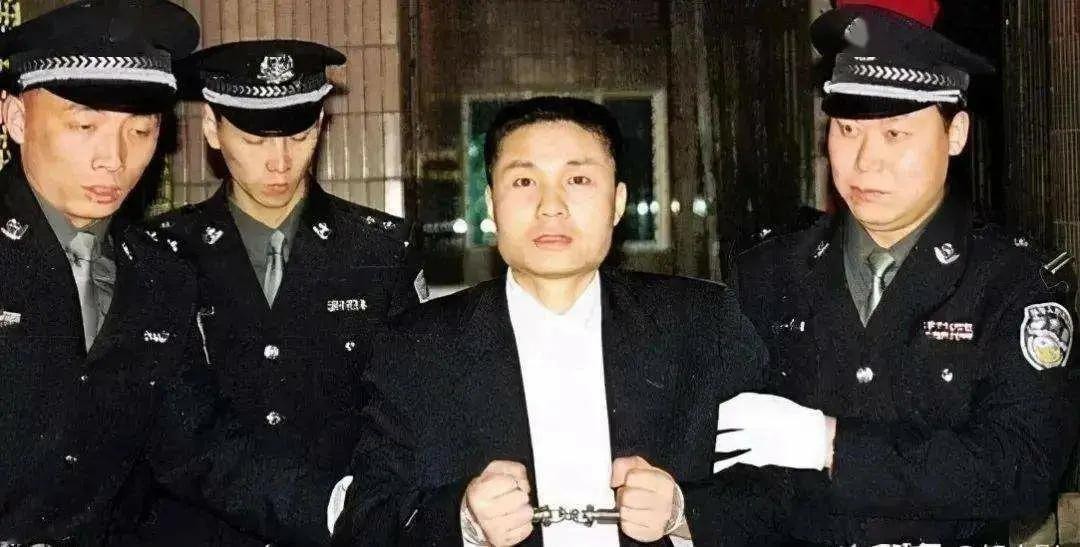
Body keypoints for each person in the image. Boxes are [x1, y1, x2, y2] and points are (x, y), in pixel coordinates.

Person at [329, 97, 788, 546]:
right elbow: (364, 519)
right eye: (524, 181)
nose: (551, 206)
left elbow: (781, 497)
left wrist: (685, 513)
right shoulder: (417, 347)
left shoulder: (705, 324)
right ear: (491, 203)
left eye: (579, 179)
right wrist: (461, 519)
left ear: (618, 202)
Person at [724, 1, 1079, 545]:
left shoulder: (1013, 283)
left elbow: (1023, 467)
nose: (865, 161)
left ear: (955, 134)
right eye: (847, 129)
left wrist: (831, 447)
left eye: (895, 134)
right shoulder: (769, 273)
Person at [121, 39, 424, 546]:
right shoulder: (158, 253)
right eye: (255, 140)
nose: (280, 162)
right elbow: (166, 430)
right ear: (212, 128)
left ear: (321, 125)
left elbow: (406, 411)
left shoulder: (382, 249)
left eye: (299, 135)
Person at [0, 0, 204, 543]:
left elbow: (200, 450)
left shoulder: (162, 278)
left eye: (140, 131)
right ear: (16, 118)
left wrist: (339, 509)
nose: (112, 159)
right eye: (85, 124)